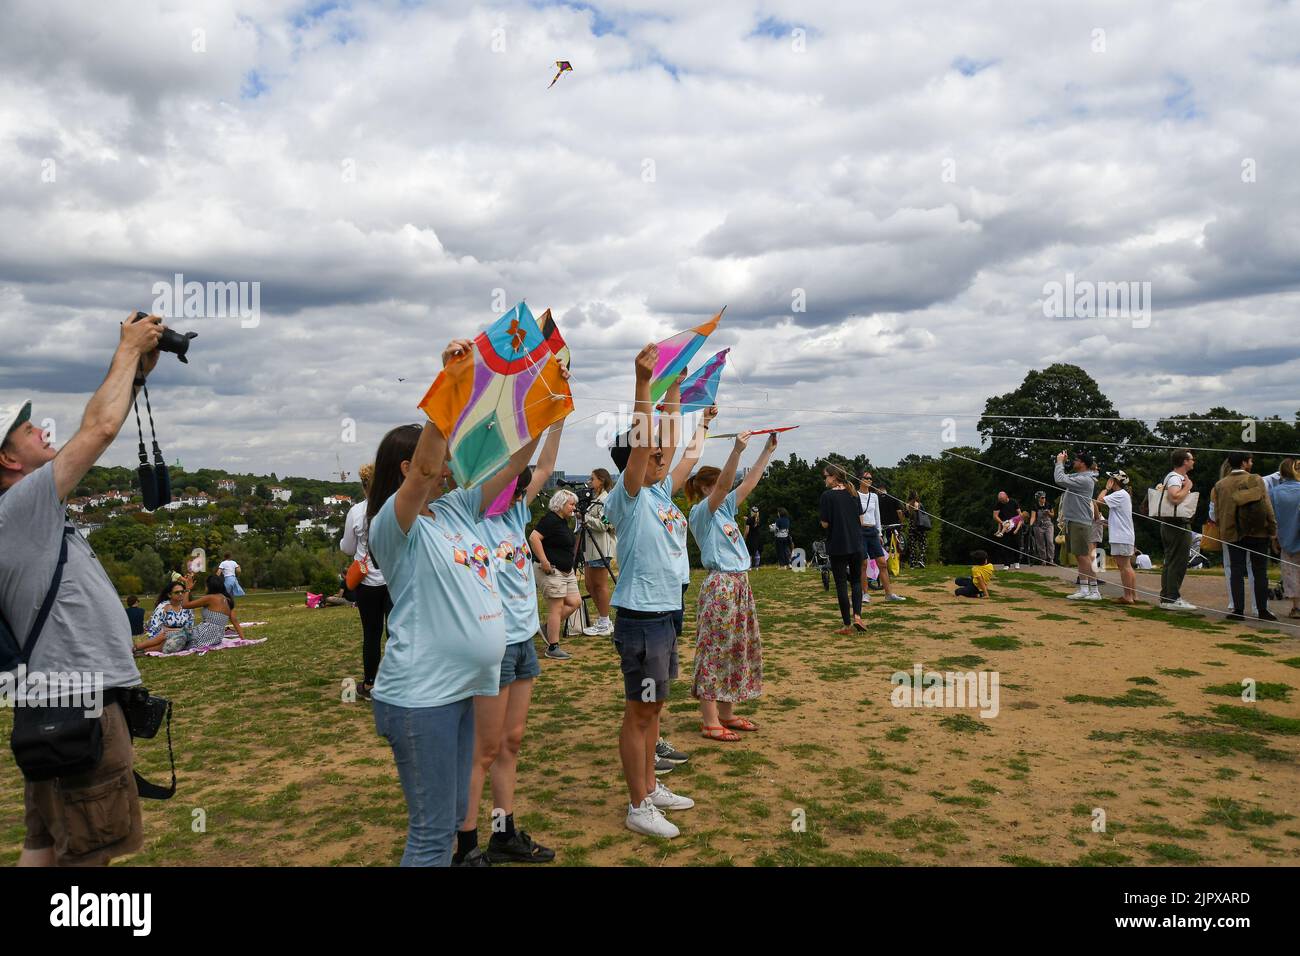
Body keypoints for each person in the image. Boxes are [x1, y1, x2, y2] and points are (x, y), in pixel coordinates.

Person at [364, 339, 539, 867]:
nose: (449, 467)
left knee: (449, 821)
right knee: (433, 835)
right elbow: (422, 474)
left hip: (460, 690)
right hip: (421, 699)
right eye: (440, 457)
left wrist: (540, 394)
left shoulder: (460, 510)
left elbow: (513, 466)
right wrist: (451, 387)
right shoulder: (394, 527)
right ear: (406, 467)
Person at [0, 315, 165, 866]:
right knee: (90, 852)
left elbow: (99, 422)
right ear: (7, 458)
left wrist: (135, 376)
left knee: (46, 843)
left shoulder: (26, 516)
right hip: (80, 701)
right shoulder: (19, 508)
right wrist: (126, 349)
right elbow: (98, 430)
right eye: (29, 430)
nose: (44, 431)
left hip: (50, 704)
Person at [460, 422, 564, 864]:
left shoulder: (517, 513)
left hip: (523, 643)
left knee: (512, 742)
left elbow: (544, 465)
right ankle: (465, 848)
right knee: (482, 751)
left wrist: (555, 417)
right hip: (493, 646)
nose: (517, 480)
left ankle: (503, 834)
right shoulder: (473, 517)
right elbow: (524, 463)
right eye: (506, 473)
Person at [603, 350, 696, 839]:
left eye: (664, 453)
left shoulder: (660, 493)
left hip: (666, 613)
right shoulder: (631, 494)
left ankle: (651, 785)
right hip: (641, 616)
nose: (663, 456)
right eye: (653, 454)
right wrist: (643, 383)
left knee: (655, 708)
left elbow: (672, 438)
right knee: (639, 714)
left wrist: (675, 390)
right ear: (633, 463)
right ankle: (638, 804)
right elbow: (645, 443)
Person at [685, 431, 777, 742]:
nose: (726, 489)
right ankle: (709, 720)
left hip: (739, 584)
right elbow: (726, 484)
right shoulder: (701, 512)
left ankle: (726, 713)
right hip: (721, 585)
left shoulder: (724, 509)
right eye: (719, 485)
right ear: (707, 488)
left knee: (736, 649)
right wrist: (737, 450)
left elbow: (748, 483)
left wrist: (767, 450)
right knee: (715, 649)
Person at [340, 462, 389, 701]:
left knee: (371, 634)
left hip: (367, 580)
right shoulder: (394, 506)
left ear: (363, 486)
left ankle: (370, 684)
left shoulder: (357, 512)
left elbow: (348, 547)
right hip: (393, 579)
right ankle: (399, 681)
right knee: (397, 632)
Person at [1211, 451, 1278, 622]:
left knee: (1236, 571)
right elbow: (1267, 506)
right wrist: (1272, 530)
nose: (1252, 463)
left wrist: (1223, 528)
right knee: (1260, 572)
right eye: (1250, 461)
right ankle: (1262, 609)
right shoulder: (1256, 479)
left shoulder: (1220, 485)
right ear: (1244, 463)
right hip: (1258, 532)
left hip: (1233, 533)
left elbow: (1217, 513)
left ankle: (1238, 610)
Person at [531, 488, 580, 661]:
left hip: (566, 571)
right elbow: (534, 537)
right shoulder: (551, 519)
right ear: (560, 504)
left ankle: (547, 628)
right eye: (571, 504)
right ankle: (553, 646)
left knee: (575, 602)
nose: (574, 508)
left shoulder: (563, 521)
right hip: (552, 569)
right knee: (556, 607)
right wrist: (544, 561)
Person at [820, 466, 866, 633]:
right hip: (856, 544)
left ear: (833, 477)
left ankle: (847, 625)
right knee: (855, 581)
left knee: (841, 584)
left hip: (838, 544)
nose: (824, 479)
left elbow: (825, 523)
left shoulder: (827, 496)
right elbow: (861, 520)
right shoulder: (853, 493)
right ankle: (858, 617)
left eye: (825, 476)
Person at [1053, 450, 1100, 600]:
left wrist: (1059, 462)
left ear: (1083, 464)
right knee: (1080, 557)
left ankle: (1093, 590)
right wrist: (1062, 463)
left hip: (1080, 521)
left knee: (1084, 556)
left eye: (1076, 460)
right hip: (1074, 520)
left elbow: (1059, 479)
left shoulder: (1085, 480)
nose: (1073, 462)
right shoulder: (1080, 476)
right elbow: (1065, 477)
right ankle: (1084, 589)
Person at [1157, 449, 1198, 610]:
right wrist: (1188, 486)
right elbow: (1173, 497)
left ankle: (1167, 596)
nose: (1193, 461)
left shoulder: (1172, 476)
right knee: (1178, 561)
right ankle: (1172, 598)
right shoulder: (1175, 478)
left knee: (1170, 561)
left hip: (1170, 524)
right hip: (1177, 524)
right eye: (1191, 459)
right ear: (1185, 461)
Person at [857, 470, 905, 602]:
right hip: (860, 531)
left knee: (882, 563)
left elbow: (877, 515)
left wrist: (878, 532)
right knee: (863, 564)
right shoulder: (855, 495)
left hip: (872, 531)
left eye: (871, 479)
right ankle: (864, 593)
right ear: (860, 479)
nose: (869, 480)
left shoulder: (874, 496)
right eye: (866, 478)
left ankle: (889, 594)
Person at [581, 468, 617, 636]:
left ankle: (604, 620)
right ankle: (604, 619)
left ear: (601, 480)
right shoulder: (594, 499)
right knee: (589, 585)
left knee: (599, 585)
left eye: (592, 478)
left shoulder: (606, 500)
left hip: (601, 547)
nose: (590, 481)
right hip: (590, 549)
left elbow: (605, 524)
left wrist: (584, 518)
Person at [1267, 458, 1300, 619]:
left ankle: (1296, 606)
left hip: (1285, 537)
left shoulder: (1274, 492)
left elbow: (1271, 517)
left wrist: (1274, 538)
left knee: (1291, 573)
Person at [1098, 471, 1136, 604]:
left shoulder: (1119, 494)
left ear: (1115, 481)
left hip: (1121, 536)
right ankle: (1132, 594)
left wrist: (1106, 489)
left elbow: (1099, 500)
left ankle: (1128, 596)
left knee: (1124, 566)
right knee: (1126, 566)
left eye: (1111, 478)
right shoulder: (1123, 495)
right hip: (1123, 535)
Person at [991, 491, 1023, 570]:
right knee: (1005, 545)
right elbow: (995, 516)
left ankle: (1017, 562)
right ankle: (1006, 564)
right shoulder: (998, 504)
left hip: (1014, 525)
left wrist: (1017, 527)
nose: (1002, 501)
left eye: (1003, 500)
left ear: (1006, 497)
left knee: (1016, 544)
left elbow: (1020, 515)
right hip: (1005, 525)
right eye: (1000, 500)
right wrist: (1002, 523)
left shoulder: (1013, 502)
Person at [1028, 491, 1055, 566]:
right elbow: (1033, 517)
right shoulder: (1035, 506)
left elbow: (1053, 515)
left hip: (1048, 525)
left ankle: (1051, 559)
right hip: (1038, 526)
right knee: (1040, 543)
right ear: (1038, 499)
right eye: (1042, 498)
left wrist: (1049, 513)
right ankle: (1043, 559)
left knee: (1050, 541)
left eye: (1044, 497)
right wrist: (1030, 524)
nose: (1044, 499)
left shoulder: (1048, 505)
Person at [904, 492, 928, 569]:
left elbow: (906, 516)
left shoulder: (907, 505)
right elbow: (924, 514)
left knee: (912, 546)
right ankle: (921, 559)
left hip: (912, 528)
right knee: (922, 544)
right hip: (920, 527)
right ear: (916, 496)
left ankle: (912, 564)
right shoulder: (920, 505)